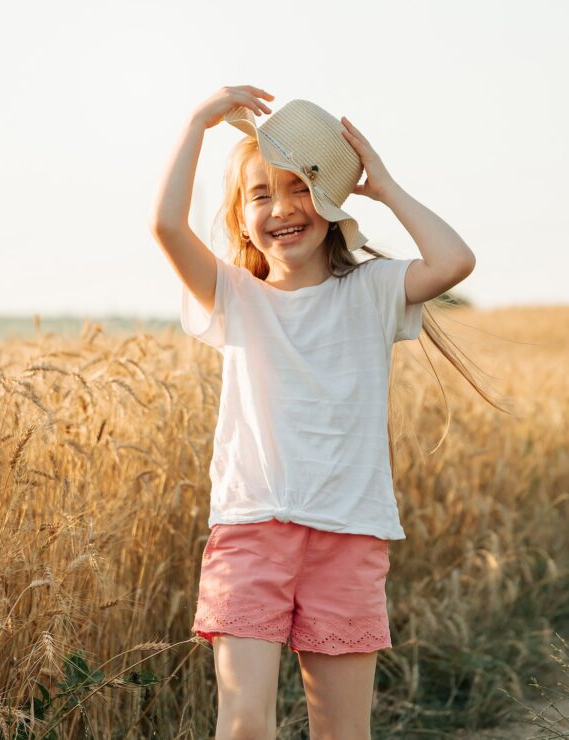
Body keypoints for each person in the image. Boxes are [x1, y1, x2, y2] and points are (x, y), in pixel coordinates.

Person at [148, 85, 490, 739]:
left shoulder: (372, 291)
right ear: (241, 213)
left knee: (342, 732)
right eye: (260, 194)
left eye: (302, 188)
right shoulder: (233, 296)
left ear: (330, 202)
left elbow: (455, 261)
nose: (282, 208)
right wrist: (199, 119)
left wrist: (383, 185)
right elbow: (165, 226)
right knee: (245, 723)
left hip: (350, 536)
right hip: (251, 532)